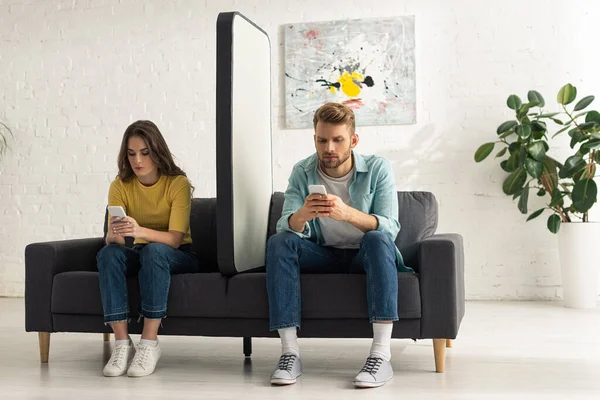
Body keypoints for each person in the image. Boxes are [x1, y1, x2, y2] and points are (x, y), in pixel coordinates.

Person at [266, 102, 412, 388]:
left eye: (337, 139)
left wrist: (347, 214)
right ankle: (289, 353)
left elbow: (390, 226)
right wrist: (302, 215)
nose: (329, 148)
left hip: (364, 254)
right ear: (315, 140)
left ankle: (381, 355)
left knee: (378, 238)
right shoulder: (303, 171)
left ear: (353, 140)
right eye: (322, 140)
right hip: (323, 254)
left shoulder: (378, 169)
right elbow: (286, 224)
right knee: (280, 242)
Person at [96, 120, 198, 377]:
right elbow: (121, 243)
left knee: (154, 251)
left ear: (157, 152)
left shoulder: (178, 183)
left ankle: (149, 343)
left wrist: (139, 231)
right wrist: (113, 236)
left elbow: (175, 239)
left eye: (144, 153)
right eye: (131, 154)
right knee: (108, 254)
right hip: (141, 252)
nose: (137, 160)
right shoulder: (120, 185)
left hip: (178, 254)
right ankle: (121, 343)